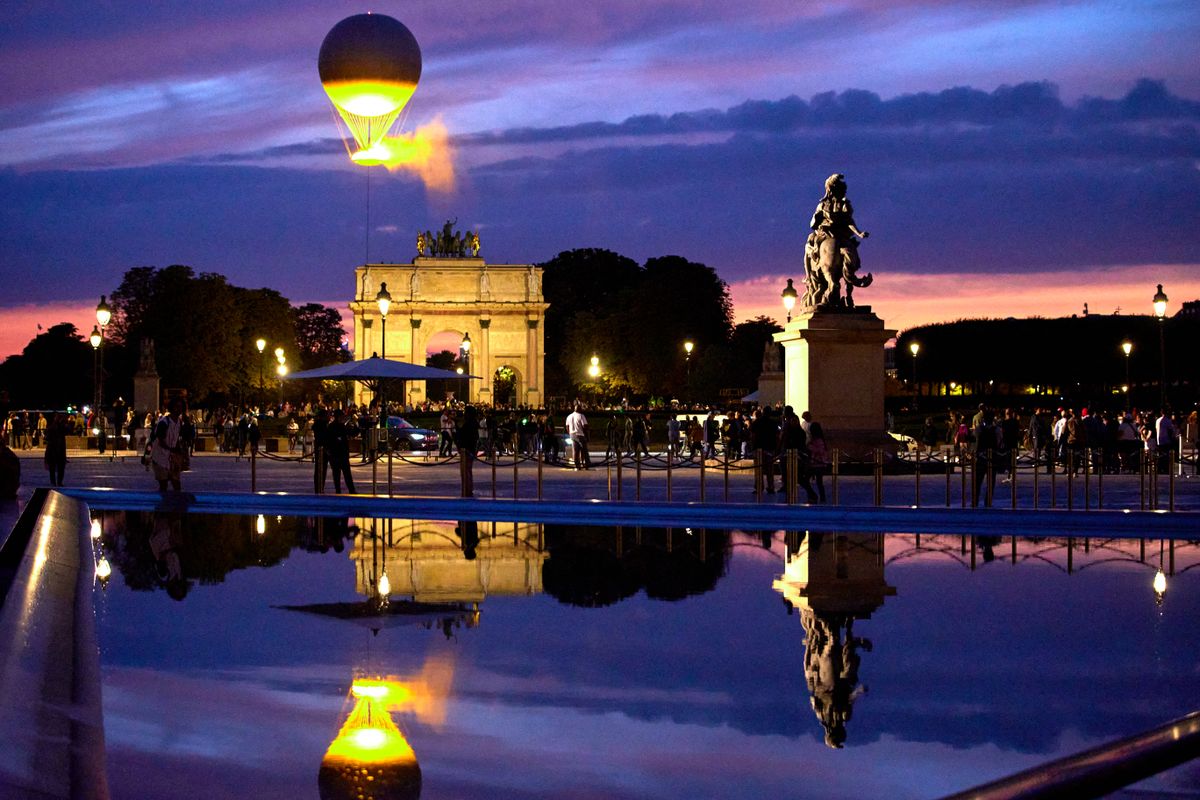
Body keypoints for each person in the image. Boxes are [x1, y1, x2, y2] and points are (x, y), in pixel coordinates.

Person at [148, 398, 188, 492]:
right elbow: (160, 440)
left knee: (176, 483)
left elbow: (177, 438)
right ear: (172, 408)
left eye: (181, 407)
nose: (179, 409)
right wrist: (172, 449)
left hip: (171, 457)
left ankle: (175, 504)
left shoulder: (178, 422)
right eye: (177, 407)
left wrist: (180, 453)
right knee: (164, 483)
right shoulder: (164, 422)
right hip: (160, 457)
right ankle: (165, 504)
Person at [324, 408, 356, 494]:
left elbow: (327, 440)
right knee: (346, 474)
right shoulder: (341, 426)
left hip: (335, 454)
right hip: (341, 453)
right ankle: (351, 490)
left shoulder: (331, 426)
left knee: (337, 474)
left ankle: (338, 490)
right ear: (339, 417)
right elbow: (351, 434)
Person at [456, 405, 479, 497]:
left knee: (465, 471)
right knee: (468, 471)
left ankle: (467, 490)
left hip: (466, 450)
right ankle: (468, 489)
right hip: (470, 449)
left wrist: (458, 429)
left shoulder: (468, 424)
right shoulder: (474, 423)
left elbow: (463, 435)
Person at [43, 412, 68, 487]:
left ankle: (54, 482)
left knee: (53, 467)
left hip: (53, 449)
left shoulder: (52, 427)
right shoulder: (59, 427)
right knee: (59, 467)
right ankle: (58, 482)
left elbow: (46, 437)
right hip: (58, 449)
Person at [566, 404, 591, 470]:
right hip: (580, 434)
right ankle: (586, 464)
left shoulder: (569, 416)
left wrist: (570, 433)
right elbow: (585, 426)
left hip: (572, 435)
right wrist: (587, 435)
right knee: (584, 450)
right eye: (581, 408)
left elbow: (567, 426)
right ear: (579, 409)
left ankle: (577, 465)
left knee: (575, 451)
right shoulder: (581, 416)